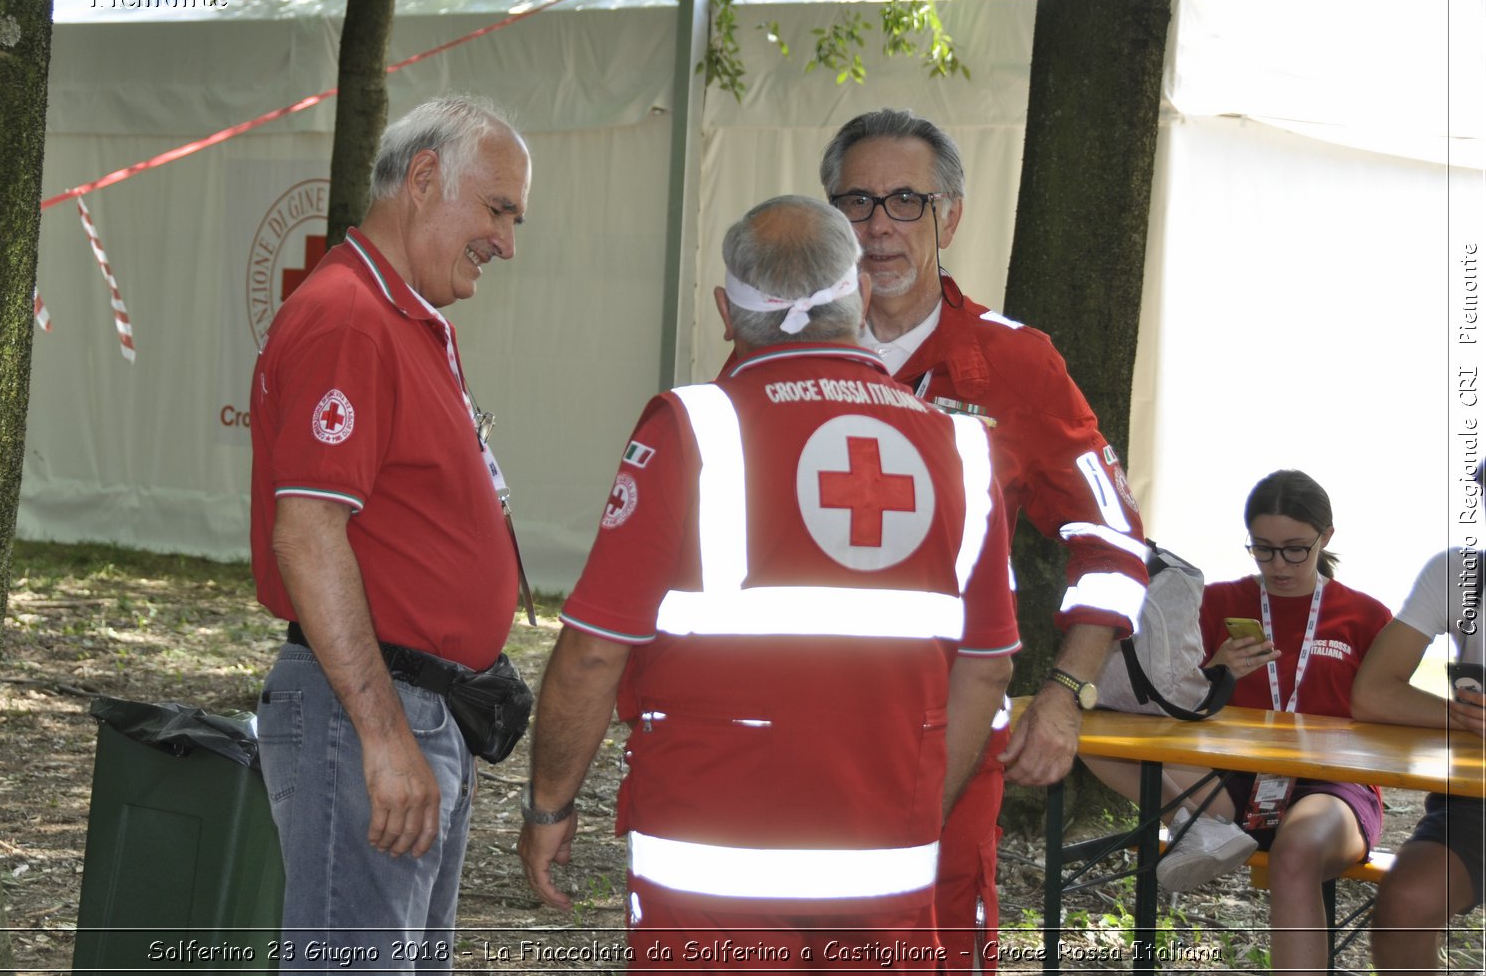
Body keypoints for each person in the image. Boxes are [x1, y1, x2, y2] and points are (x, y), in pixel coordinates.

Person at [518, 194, 1019, 969]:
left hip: (709, 877)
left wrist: (548, 803)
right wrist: (916, 813)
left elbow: (592, 652)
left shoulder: (692, 429)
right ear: (859, 298)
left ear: (726, 311)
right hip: (886, 872)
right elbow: (986, 668)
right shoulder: (961, 448)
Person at [818, 107, 1150, 964]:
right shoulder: (781, 352)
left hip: (947, 732)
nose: (879, 226)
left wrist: (1068, 693)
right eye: (855, 201)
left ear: (950, 216)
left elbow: (1114, 545)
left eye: (904, 200)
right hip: (799, 729)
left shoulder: (1016, 366)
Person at [249, 95, 531, 971]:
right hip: (368, 710)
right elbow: (308, 533)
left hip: (414, 707)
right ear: (422, 178)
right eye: (497, 210)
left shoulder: (401, 317)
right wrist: (380, 734)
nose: (507, 242)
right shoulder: (351, 317)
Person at [1091, 469, 1389, 973]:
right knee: (1088, 738)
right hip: (1232, 780)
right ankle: (1201, 826)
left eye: (1295, 548)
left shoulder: (1365, 617)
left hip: (1332, 787)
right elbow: (1172, 701)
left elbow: (1388, 706)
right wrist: (1217, 672)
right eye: (1263, 548)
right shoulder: (1216, 601)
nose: (1279, 564)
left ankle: (1200, 825)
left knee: (1293, 859)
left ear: (1326, 538)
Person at [1351, 542, 1486, 976]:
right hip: (1477, 797)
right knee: (1406, 902)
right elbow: (1373, 695)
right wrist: (1466, 718)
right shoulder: (1460, 573)